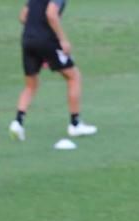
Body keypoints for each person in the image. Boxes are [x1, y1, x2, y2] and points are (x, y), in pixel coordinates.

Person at [8, 0, 98, 141]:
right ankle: (75, 124)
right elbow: (51, 14)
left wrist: (36, 35)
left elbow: (23, 16)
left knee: (31, 85)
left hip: (28, 39)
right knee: (74, 77)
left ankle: (17, 123)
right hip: (46, 40)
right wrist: (63, 40)